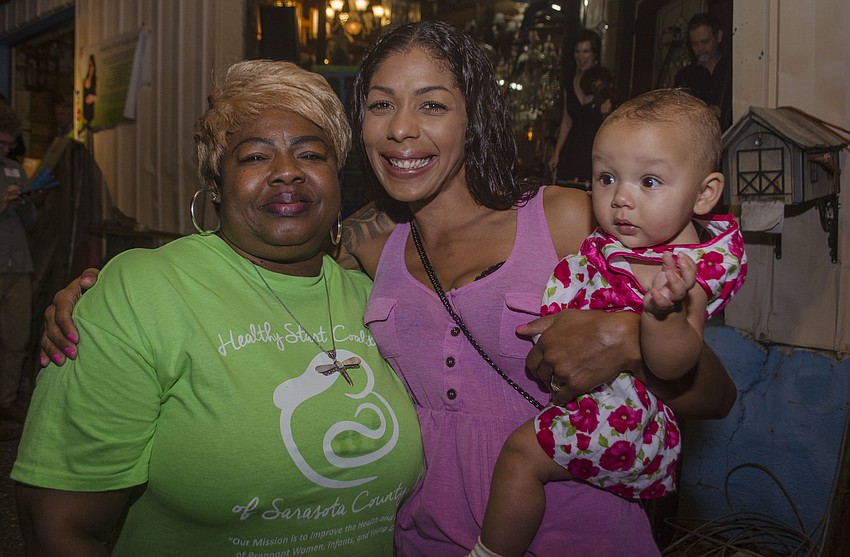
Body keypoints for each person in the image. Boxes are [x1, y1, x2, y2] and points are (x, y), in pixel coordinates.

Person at [40, 22, 737, 556]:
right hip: (422, 539)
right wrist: (104, 297)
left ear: (473, 118)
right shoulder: (371, 249)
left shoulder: (564, 215)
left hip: (584, 536)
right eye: (380, 104)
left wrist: (624, 334)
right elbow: (259, 272)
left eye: (432, 104)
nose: (403, 128)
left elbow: (713, 395)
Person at [13, 59, 424, 556]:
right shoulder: (143, 292)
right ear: (215, 184)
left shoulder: (375, 301)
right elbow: (56, 526)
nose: (287, 172)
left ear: (338, 178)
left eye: (311, 154)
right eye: (254, 158)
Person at [470, 89, 747, 557]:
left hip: (623, 420)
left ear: (704, 193)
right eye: (606, 177)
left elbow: (676, 363)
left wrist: (659, 316)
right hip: (597, 403)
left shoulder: (683, 271)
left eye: (650, 181)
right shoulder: (630, 244)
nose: (620, 198)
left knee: (520, 457)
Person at [0, 103, 36, 441]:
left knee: (16, 336)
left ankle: (7, 399)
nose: (6, 150)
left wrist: (25, 205)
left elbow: (31, 223)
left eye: (10, 143)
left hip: (18, 265)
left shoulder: (16, 169)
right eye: (1, 143)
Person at [547, 29, 615, 186]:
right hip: (572, 148)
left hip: (593, 148)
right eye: (577, 51)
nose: (580, 56)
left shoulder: (603, 78)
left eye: (586, 51)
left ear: (594, 54)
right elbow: (566, 121)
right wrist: (556, 153)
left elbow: (610, 121)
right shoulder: (569, 82)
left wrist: (606, 112)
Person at [674, 13, 732, 131]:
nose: (700, 48)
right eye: (695, 44)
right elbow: (679, 113)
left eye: (705, 42)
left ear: (719, 36)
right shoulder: (685, 76)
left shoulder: (731, 68)